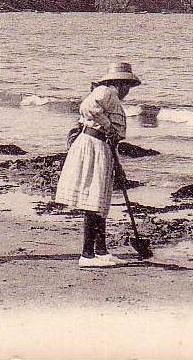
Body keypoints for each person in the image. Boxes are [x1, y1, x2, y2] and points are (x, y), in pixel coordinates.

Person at [54, 62, 141, 268]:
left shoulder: (112, 98)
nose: (128, 90)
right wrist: (108, 125)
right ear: (118, 83)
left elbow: (111, 135)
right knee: (93, 201)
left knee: (100, 201)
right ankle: (87, 255)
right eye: (127, 85)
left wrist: (117, 163)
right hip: (93, 145)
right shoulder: (106, 91)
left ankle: (101, 252)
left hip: (103, 147)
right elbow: (87, 107)